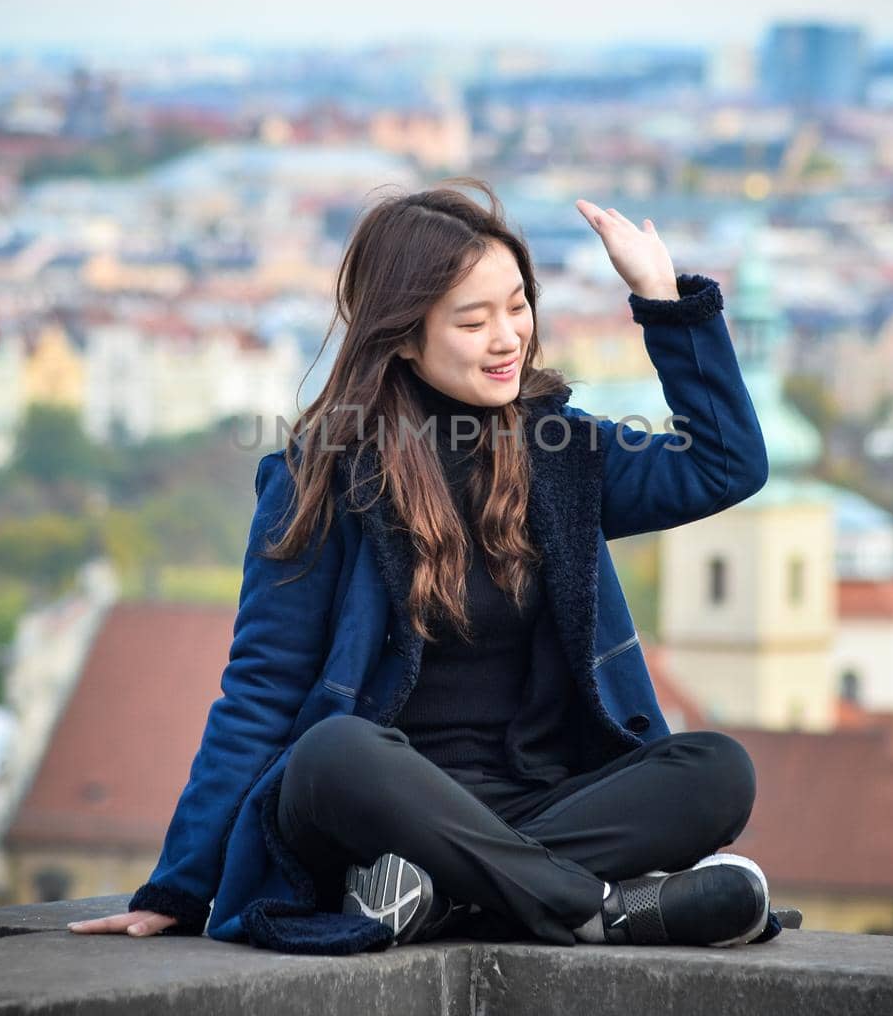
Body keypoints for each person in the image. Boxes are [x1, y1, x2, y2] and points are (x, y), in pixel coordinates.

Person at [69, 179, 776, 955]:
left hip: (535, 802)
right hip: (380, 812)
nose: (508, 337)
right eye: (474, 321)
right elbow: (260, 693)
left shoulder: (563, 453)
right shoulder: (322, 479)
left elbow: (724, 464)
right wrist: (178, 885)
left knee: (718, 769)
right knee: (334, 752)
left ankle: (445, 899)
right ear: (405, 336)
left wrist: (661, 298)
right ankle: (595, 907)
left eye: (517, 305)